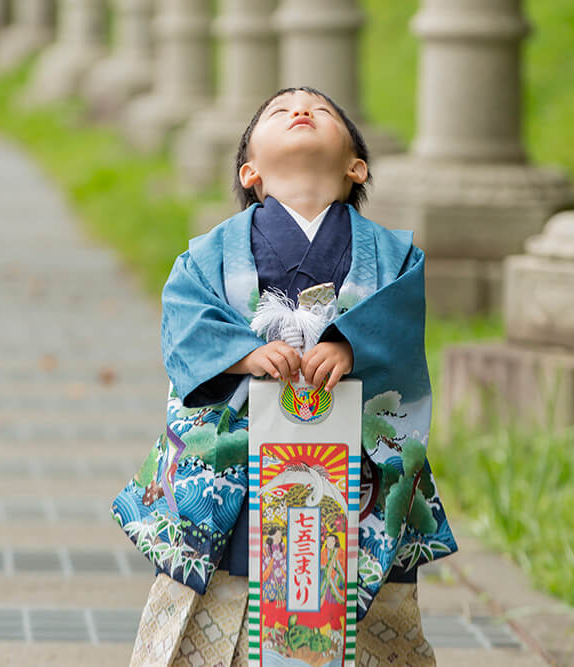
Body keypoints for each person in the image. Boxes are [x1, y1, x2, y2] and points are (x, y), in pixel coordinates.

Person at [115, 87, 457, 666]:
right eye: (280, 111)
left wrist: (351, 343)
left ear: (357, 167)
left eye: (321, 110)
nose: (301, 109)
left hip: (353, 467)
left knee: (348, 598)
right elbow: (186, 320)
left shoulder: (392, 255)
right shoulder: (209, 254)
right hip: (241, 466)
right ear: (251, 171)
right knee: (231, 604)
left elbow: (399, 319)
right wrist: (243, 355)